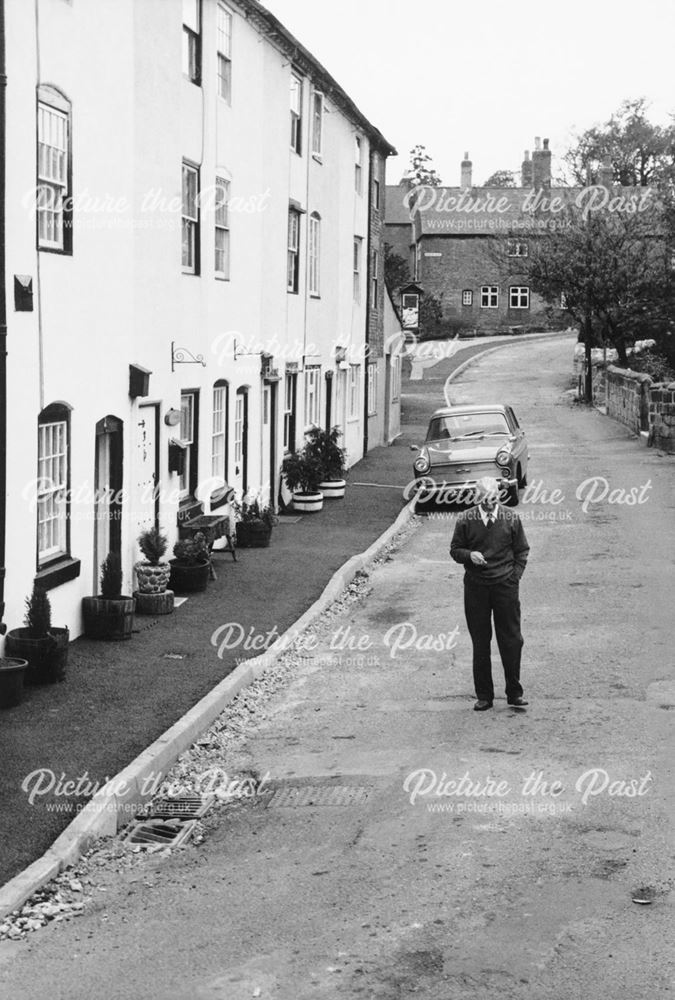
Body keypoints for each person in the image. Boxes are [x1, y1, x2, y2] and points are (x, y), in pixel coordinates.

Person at [450, 476, 530, 711]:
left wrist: (513, 577)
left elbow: (522, 551)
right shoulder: (466, 520)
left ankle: (514, 692)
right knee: (480, 642)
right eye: (484, 499)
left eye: (493, 498)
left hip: (505, 586)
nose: (489, 503)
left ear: (499, 495)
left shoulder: (511, 518)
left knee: (511, 639)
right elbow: (455, 550)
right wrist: (469, 555)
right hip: (476, 587)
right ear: (477, 497)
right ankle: (484, 695)